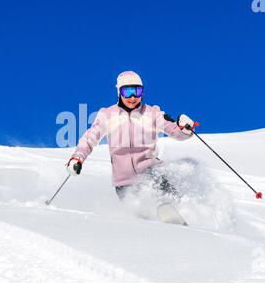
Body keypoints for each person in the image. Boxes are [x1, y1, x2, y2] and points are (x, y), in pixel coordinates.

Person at [66, 71, 195, 200]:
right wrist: (77, 158)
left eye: (137, 91)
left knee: (171, 200)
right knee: (140, 213)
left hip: (152, 173)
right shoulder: (107, 114)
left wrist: (185, 129)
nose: (133, 97)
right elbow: (89, 140)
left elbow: (176, 132)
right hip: (124, 183)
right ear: (119, 93)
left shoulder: (152, 113)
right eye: (127, 92)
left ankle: (181, 211)